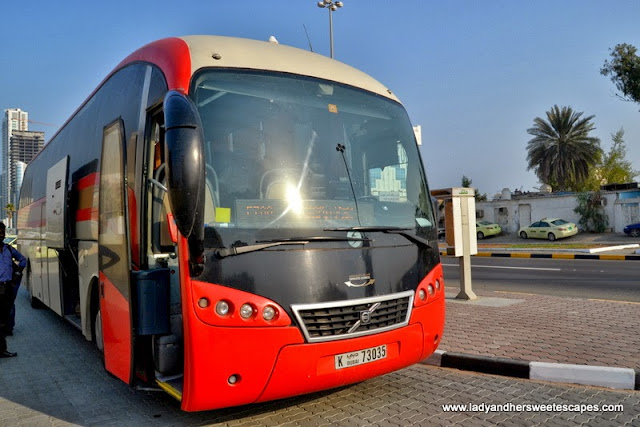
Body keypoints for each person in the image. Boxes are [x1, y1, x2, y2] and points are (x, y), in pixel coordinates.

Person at [0, 222, 25, 358]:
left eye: (3, 232)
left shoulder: (9, 249)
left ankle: (2, 349)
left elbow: (23, 260)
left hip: (7, 287)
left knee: (4, 319)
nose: (1, 235)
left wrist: (17, 272)